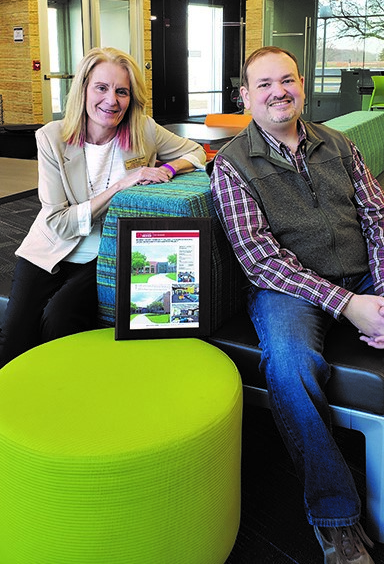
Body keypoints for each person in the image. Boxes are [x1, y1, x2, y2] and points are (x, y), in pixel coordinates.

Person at [208, 46, 384, 564]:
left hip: (363, 276)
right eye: (263, 84)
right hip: (287, 290)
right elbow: (259, 258)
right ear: (245, 97)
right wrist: (349, 304)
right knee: (289, 366)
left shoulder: (340, 144)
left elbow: (376, 218)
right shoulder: (232, 165)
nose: (277, 91)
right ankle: (336, 521)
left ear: (302, 86)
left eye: (286, 80)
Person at [0, 46, 205, 368]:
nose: (112, 100)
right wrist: (121, 185)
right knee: (12, 338)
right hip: (49, 245)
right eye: (102, 88)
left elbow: (197, 153)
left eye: (122, 91)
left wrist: (166, 169)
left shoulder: (144, 130)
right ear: (83, 89)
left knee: (59, 320)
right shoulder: (52, 138)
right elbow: (57, 223)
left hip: (105, 251)